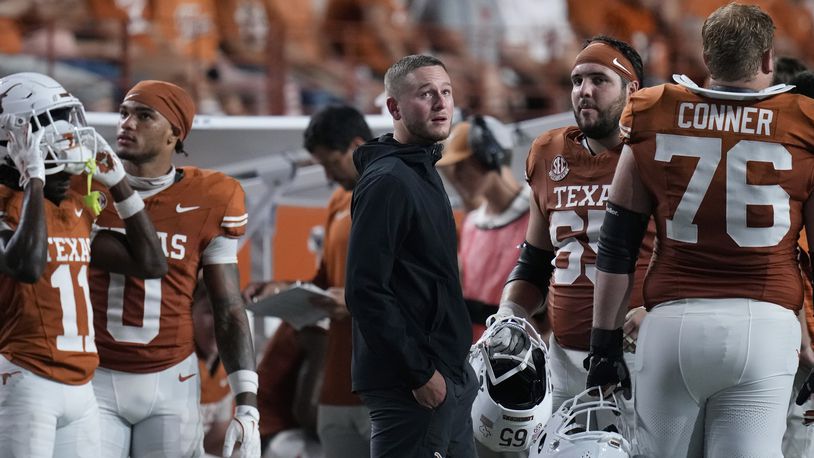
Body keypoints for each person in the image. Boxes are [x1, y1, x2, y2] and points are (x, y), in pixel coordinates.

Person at [586, 4, 814, 457]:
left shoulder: (655, 112)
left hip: (673, 325)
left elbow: (616, 246)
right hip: (765, 328)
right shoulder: (802, 121)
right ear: (768, 59)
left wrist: (603, 344)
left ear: (705, 58)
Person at [81, 80, 261, 458]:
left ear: (174, 133)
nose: (127, 124)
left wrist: (247, 403)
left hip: (171, 378)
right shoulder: (84, 186)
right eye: (124, 113)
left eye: (144, 115)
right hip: (94, 371)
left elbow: (228, 305)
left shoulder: (212, 196)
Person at [0, 72, 166, 457]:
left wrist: (121, 183)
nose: (71, 174)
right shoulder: (12, 202)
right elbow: (26, 265)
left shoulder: (74, 207)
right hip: (24, 376)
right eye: (55, 163)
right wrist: (36, 182)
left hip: (82, 384)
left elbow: (152, 263)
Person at [495, 35, 650, 437]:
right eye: (577, 80)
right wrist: (510, 314)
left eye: (599, 79)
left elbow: (691, 255)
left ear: (632, 90)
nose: (584, 90)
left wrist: (658, 310)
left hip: (638, 355)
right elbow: (533, 260)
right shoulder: (549, 152)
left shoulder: (655, 152)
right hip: (563, 358)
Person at [344, 54, 477, 457]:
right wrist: (421, 374)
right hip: (415, 390)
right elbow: (365, 290)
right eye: (426, 94)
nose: (440, 103)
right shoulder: (389, 180)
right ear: (394, 108)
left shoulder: (420, 168)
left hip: (445, 380)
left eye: (446, 92)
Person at [243, 104, 374, 458]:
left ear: (358, 145)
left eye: (332, 163)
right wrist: (280, 287)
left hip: (387, 382)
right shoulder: (337, 201)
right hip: (336, 383)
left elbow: (426, 290)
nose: (330, 176)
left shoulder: (403, 197)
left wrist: (357, 303)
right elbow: (324, 278)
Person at [435, 115, 531, 344]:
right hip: (476, 353)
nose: (456, 177)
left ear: (491, 155)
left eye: (462, 165)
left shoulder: (536, 217)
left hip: (520, 353)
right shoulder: (471, 224)